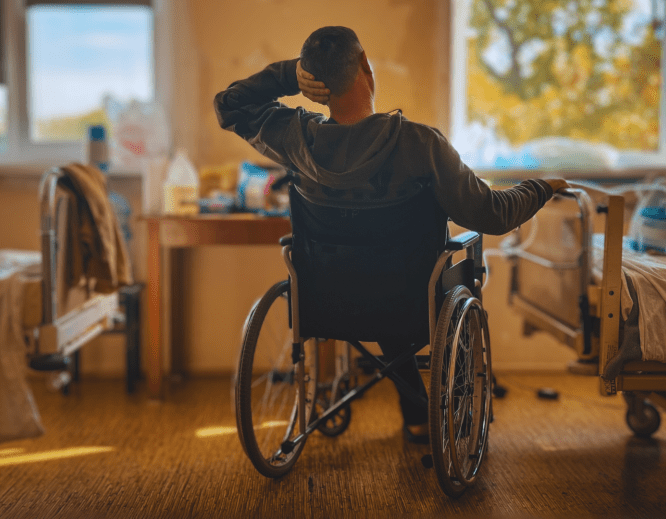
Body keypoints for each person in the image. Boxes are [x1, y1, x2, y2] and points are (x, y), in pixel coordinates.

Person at [214, 26, 570, 443]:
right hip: (410, 302)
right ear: (366, 65)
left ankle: (416, 411)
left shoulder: (297, 140)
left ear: (315, 83)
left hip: (326, 300)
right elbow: (491, 214)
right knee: (439, 270)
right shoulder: (422, 145)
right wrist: (542, 187)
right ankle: (442, 409)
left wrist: (287, 76)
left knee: (372, 275)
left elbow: (229, 106)